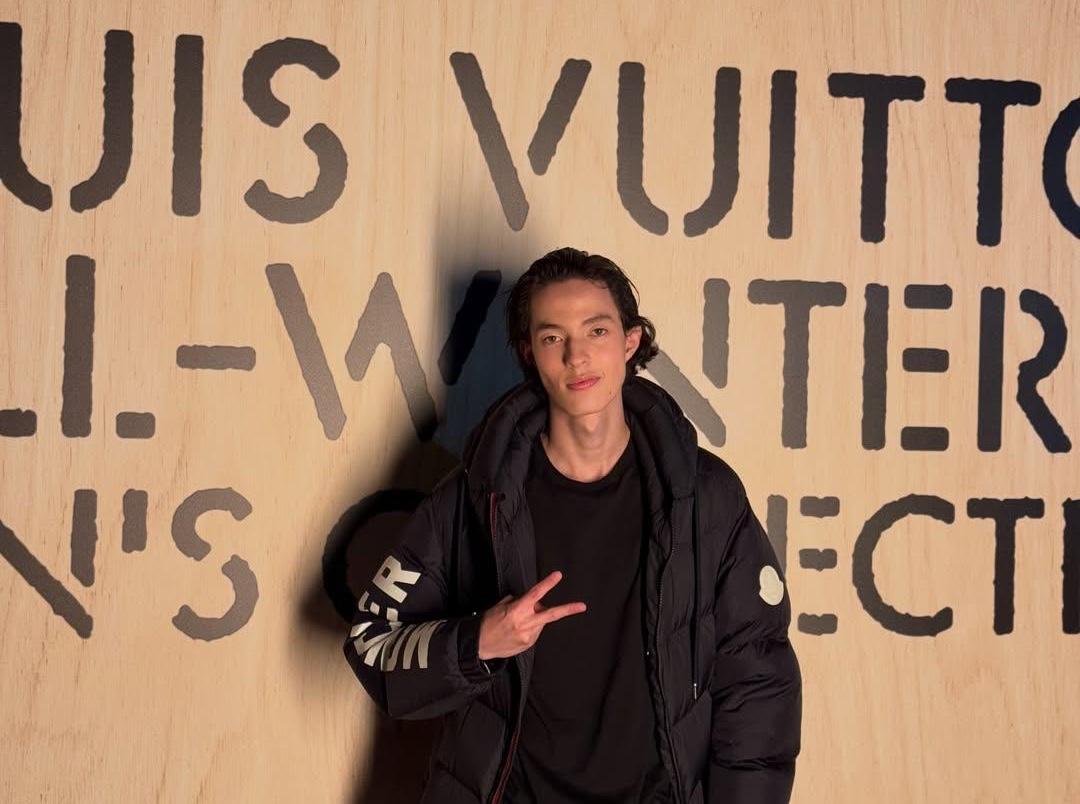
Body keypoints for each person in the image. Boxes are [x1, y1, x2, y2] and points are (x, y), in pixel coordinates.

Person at [342, 247, 802, 804]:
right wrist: (477, 642)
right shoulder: (473, 499)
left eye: (597, 331)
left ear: (630, 342)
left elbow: (757, 683)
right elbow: (372, 643)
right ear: (529, 353)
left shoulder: (706, 497)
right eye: (552, 337)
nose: (577, 356)